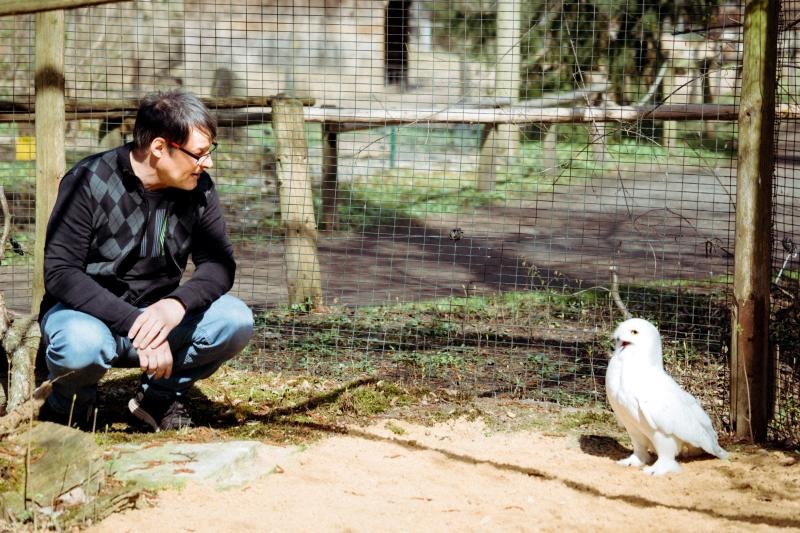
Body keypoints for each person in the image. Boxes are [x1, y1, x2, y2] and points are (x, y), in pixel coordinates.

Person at [38, 89, 254, 431]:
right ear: (159, 148)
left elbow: (218, 264)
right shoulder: (88, 181)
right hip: (89, 317)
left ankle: (157, 399)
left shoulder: (199, 189)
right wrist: (136, 326)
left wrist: (176, 305)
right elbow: (61, 273)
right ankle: (69, 408)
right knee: (80, 344)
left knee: (235, 320)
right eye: (199, 153)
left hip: (160, 318)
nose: (208, 162)